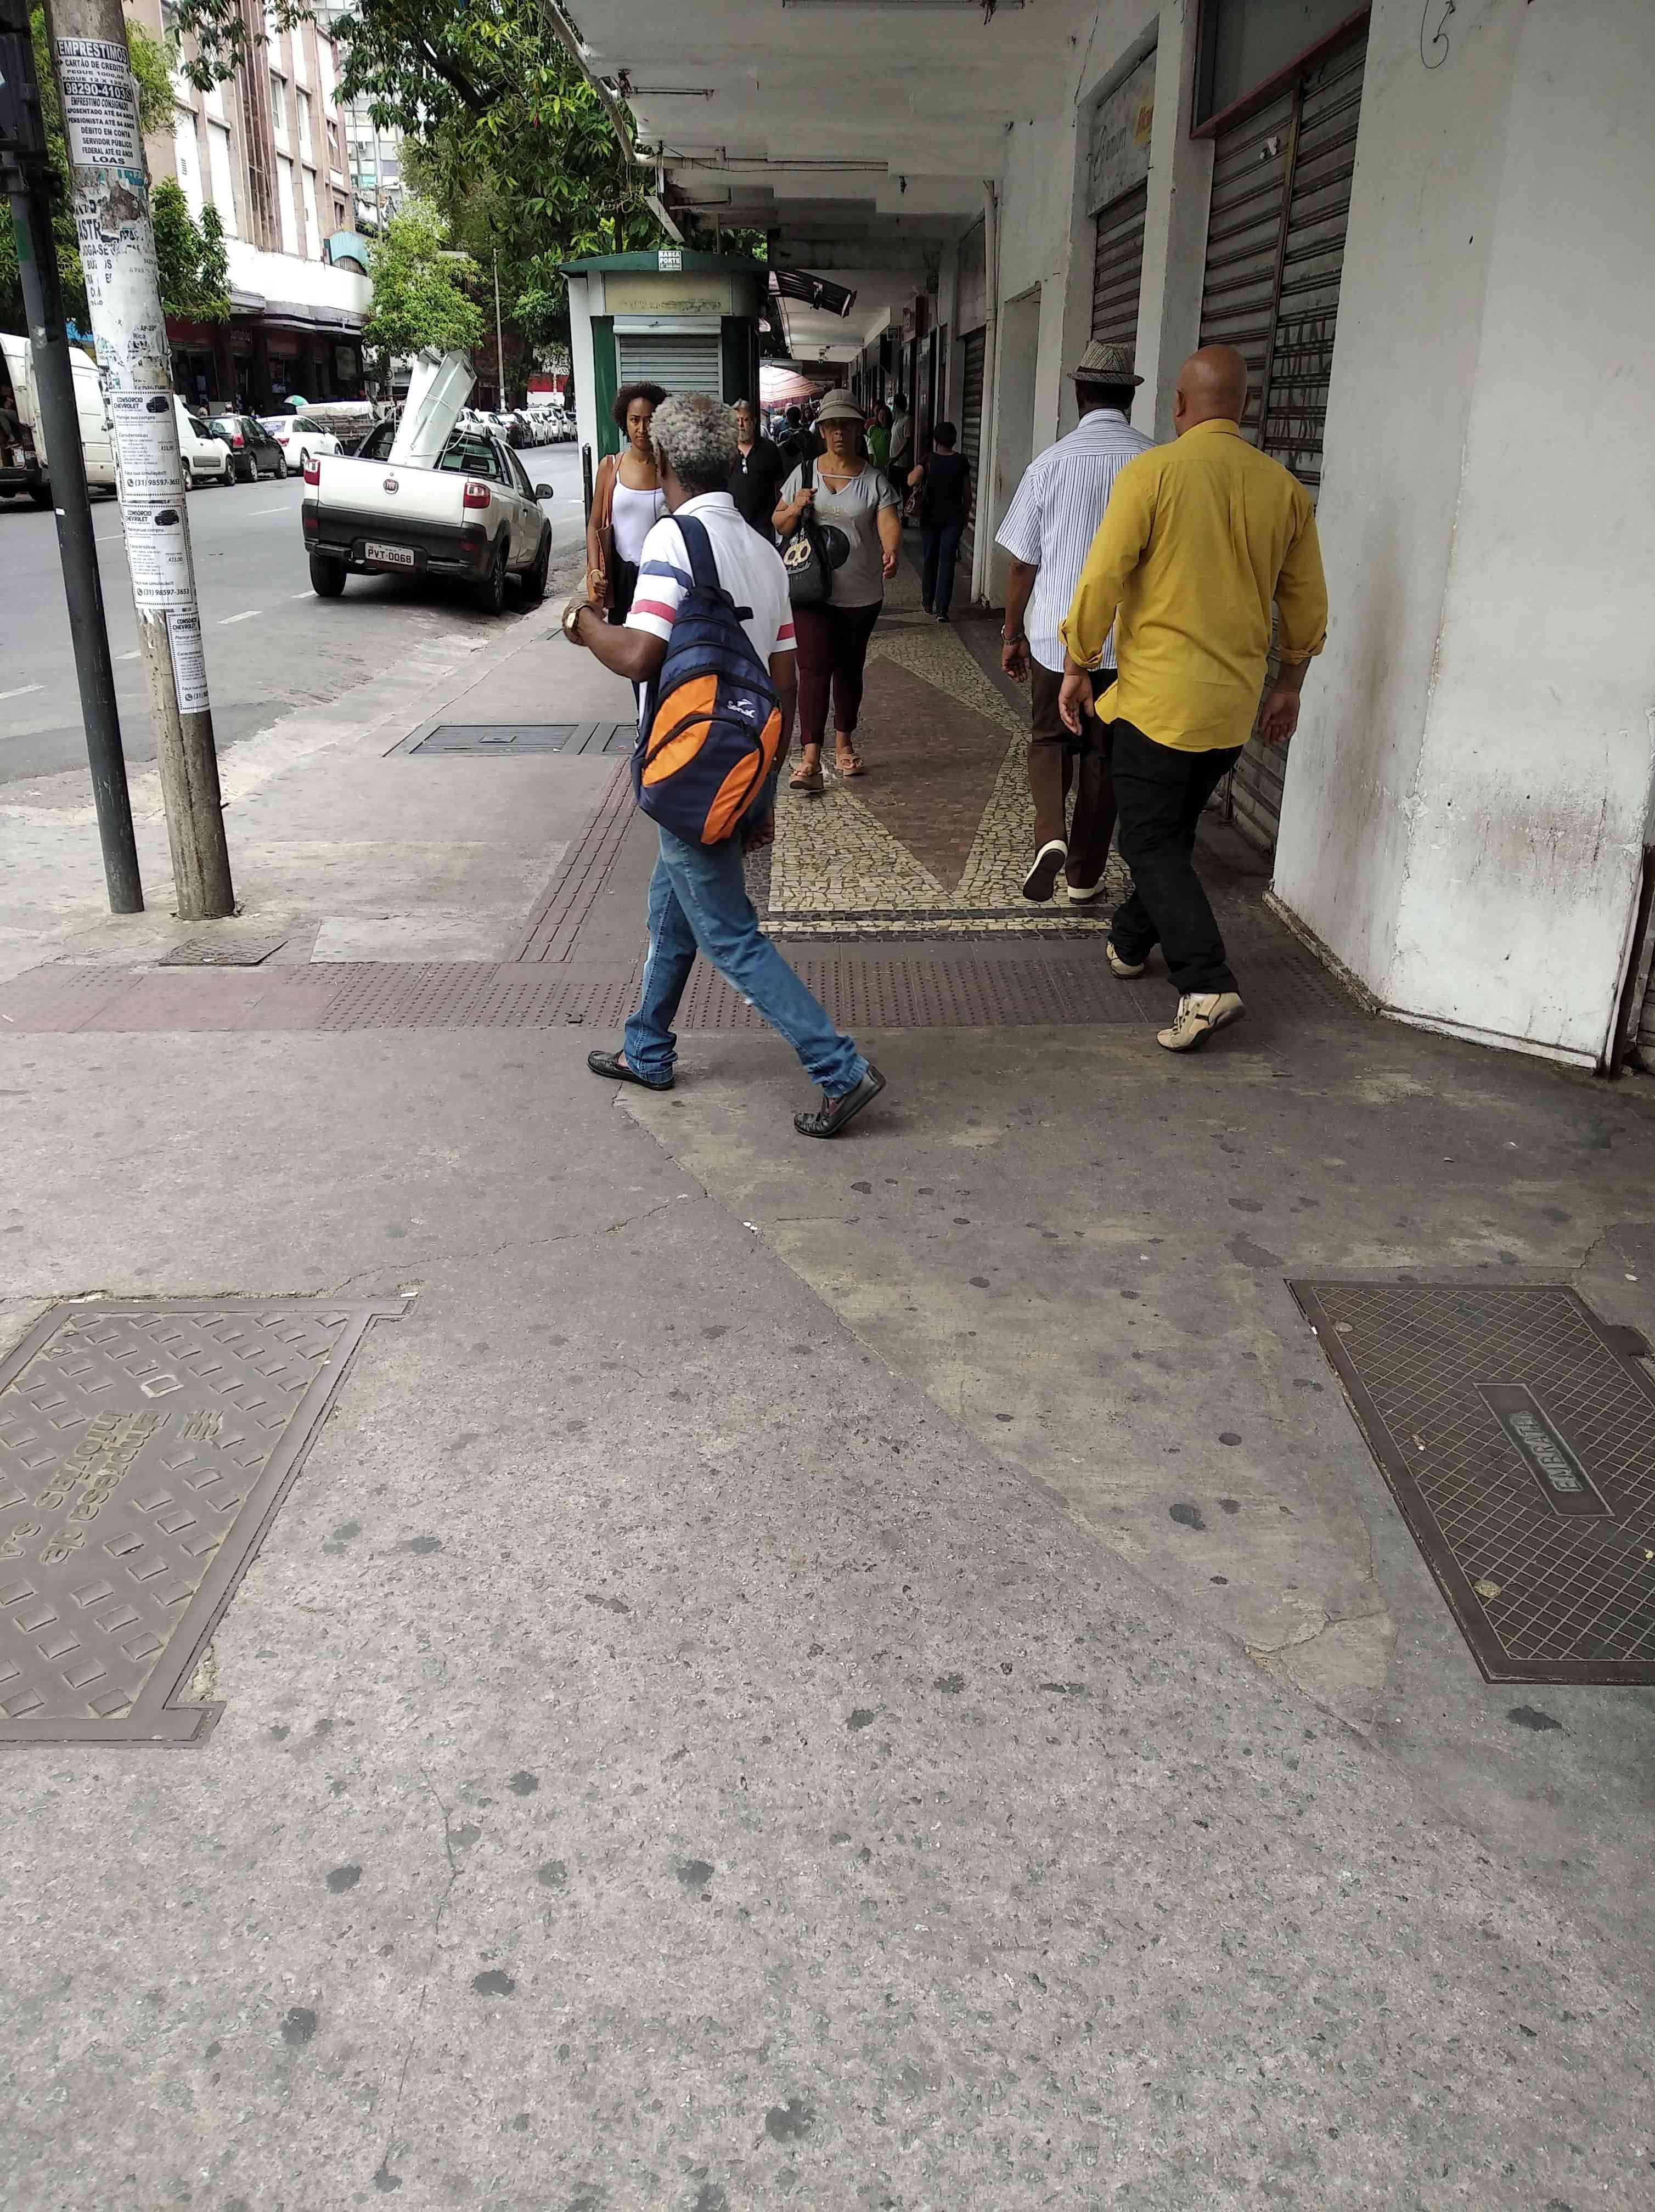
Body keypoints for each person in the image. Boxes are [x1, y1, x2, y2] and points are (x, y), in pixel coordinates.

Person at [562, 393, 887, 1139]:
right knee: (671, 910)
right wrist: (761, 791)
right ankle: (647, 1047)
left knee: (729, 933)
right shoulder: (762, 549)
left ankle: (839, 1067)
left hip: (688, 769)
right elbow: (785, 682)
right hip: (740, 762)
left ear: (665, 463)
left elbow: (639, 654)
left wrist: (582, 621)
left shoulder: (675, 539)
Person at [1059, 345, 1329, 1053]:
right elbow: (1306, 604)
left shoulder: (1153, 474)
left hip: (1157, 703)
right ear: (1245, 407)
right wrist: (1290, 684)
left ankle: (1204, 981)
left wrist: (1077, 662)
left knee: (1147, 840)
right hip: (1230, 710)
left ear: (1178, 405)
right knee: (1171, 834)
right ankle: (1129, 940)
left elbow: (1101, 578)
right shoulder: (1285, 491)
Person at [994, 340, 1152, 907]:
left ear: (1079, 393)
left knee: (1049, 738)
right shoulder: (1156, 464)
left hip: (1053, 639)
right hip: (1127, 645)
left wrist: (1012, 633)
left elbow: (1022, 563)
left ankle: (1049, 836)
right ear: (1128, 399)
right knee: (1104, 755)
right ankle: (1084, 875)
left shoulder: (1050, 464)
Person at [772, 390, 902, 791]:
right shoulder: (804, 474)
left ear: (859, 430)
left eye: (846, 425)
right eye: (832, 426)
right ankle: (810, 757)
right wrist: (796, 507)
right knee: (813, 669)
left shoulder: (874, 480)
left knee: (848, 668)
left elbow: (888, 521)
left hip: (860, 593)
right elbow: (779, 523)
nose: (839, 433)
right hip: (811, 591)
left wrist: (892, 550)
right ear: (823, 431)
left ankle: (845, 743)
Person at [585, 381, 667, 623]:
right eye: (635, 420)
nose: (642, 428)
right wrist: (595, 570)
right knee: (621, 640)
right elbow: (594, 525)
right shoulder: (610, 467)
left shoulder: (670, 469)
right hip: (621, 578)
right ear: (625, 421)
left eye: (649, 420)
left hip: (661, 577)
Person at [907, 422, 971, 622]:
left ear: (936, 439)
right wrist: (965, 515)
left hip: (930, 518)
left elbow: (911, 481)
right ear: (954, 439)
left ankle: (927, 602)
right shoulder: (961, 461)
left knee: (930, 559)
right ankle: (942, 610)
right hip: (954, 519)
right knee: (947, 563)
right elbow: (967, 493)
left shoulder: (929, 459)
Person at [728, 398, 789, 545]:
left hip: (764, 526)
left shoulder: (769, 449)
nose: (741, 425)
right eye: (737, 421)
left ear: (754, 422)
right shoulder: (726, 450)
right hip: (733, 524)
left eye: (745, 420)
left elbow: (780, 486)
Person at [887, 392, 913, 507]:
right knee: (893, 491)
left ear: (897, 406)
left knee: (905, 491)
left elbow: (907, 442)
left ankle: (905, 513)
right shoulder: (896, 420)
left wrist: (896, 457)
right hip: (893, 462)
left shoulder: (907, 420)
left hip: (902, 463)